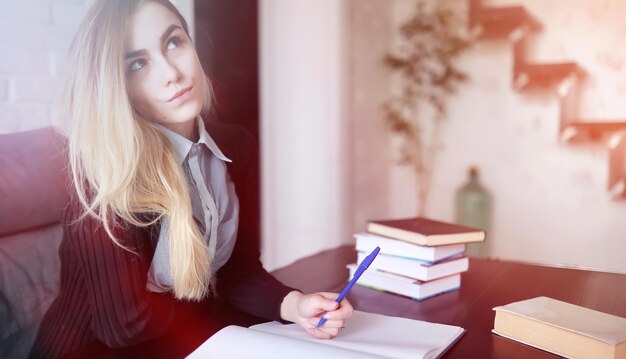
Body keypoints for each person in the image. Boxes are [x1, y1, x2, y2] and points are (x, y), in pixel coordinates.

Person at [29, 0, 353, 357]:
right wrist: (221, 324)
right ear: (117, 85)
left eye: (173, 42)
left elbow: (238, 271)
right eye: (138, 63)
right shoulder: (106, 171)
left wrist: (294, 305)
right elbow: (123, 325)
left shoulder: (237, 148)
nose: (172, 73)